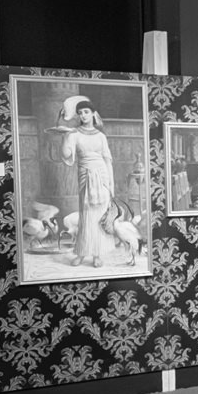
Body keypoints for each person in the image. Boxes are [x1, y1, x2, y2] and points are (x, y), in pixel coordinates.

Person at [60, 95, 114, 268]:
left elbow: (107, 160)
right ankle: (82, 253)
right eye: (80, 113)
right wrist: (65, 137)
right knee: (86, 216)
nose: (83, 115)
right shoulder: (74, 134)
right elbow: (67, 155)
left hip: (102, 176)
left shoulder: (101, 136)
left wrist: (111, 184)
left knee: (99, 215)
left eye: (86, 112)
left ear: (93, 114)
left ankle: (97, 254)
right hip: (85, 176)